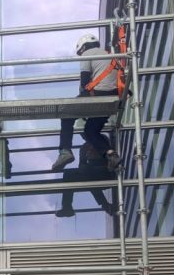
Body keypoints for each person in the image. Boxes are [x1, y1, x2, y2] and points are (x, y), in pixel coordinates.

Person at [51, 32, 121, 173]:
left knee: (66, 114)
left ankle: (65, 151)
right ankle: (111, 154)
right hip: (112, 98)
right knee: (90, 131)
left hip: (98, 94)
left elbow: (84, 82)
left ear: (83, 48)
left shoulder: (88, 54)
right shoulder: (110, 55)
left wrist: (81, 106)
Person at [56, 143, 116, 219]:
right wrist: (85, 156)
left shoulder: (100, 141)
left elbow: (110, 157)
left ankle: (104, 204)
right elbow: (81, 167)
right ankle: (67, 207)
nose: (88, 153)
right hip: (93, 175)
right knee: (69, 174)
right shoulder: (84, 147)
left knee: (86, 173)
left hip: (107, 172)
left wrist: (93, 156)